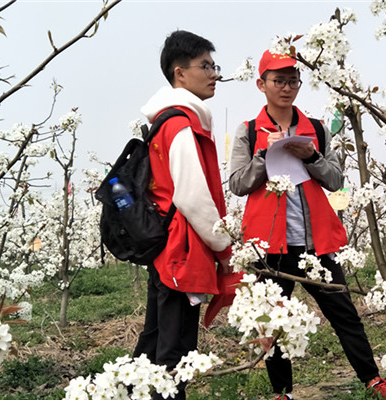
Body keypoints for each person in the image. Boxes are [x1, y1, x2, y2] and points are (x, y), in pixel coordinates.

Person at [229, 50, 386, 400]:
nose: (286, 88)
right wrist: (263, 155)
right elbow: (238, 184)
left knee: (344, 313)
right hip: (268, 246)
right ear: (261, 84)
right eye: (278, 81)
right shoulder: (249, 131)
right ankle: (282, 392)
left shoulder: (315, 129)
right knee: (271, 322)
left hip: (318, 243)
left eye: (293, 81)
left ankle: (373, 379)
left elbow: (335, 180)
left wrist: (312, 156)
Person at [133, 30, 232, 400]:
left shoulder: (169, 119)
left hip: (168, 250)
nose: (214, 74)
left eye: (214, 66)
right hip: (182, 251)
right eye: (205, 66)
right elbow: (192, 196)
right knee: (174, 355)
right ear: (180, 73)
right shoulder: (180, 124)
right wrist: (225, 248)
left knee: (154, 343)